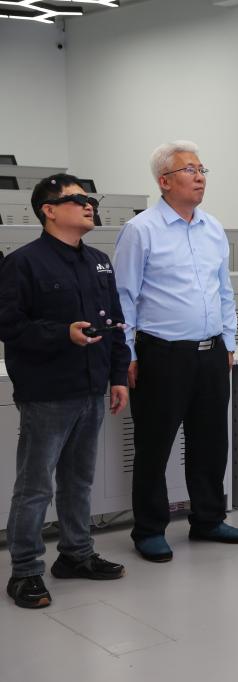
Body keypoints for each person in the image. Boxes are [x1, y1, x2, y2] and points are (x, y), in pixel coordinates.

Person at [114, 141, 238, 562]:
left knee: (210, 442)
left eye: (201, 169)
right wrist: (127, 354)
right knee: (154, 445)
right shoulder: (141, 230)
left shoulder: (213, 228)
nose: (199, 177)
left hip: (211, 352)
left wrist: (229, 342)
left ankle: (208, 519)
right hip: (161, 355)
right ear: (164, 181)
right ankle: (149, 529)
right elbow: (123, 297)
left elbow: (224, 291)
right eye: (189, 170)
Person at [0, 174, 129, 609]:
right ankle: (25, 571)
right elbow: (9, 325)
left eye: (90, 198)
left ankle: (76, 553)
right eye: (76, 199)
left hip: (92, 388)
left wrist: (117, 376)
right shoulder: (23, 263)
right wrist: (62, 334)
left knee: (79, 480)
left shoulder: (99, 261)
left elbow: (114, 323)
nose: (88, 205)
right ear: (49, 210)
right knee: (35, 485)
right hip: (48, 392)